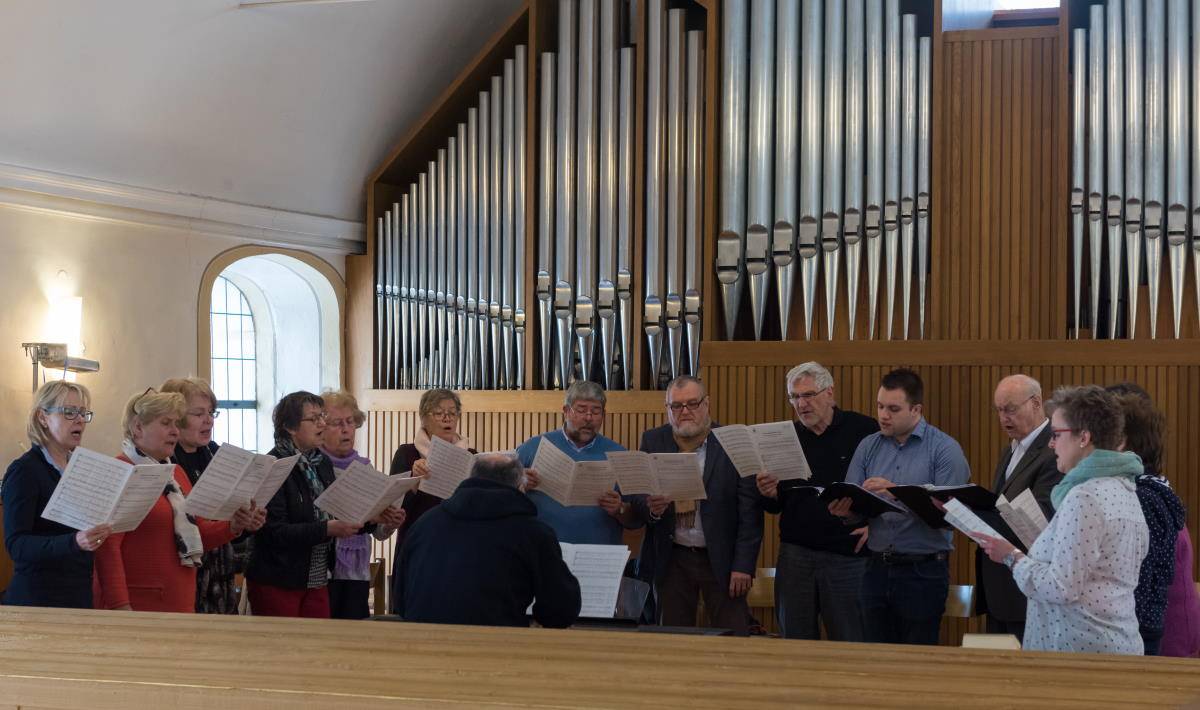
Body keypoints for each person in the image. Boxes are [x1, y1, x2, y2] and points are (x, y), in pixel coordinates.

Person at [977, 385, 1148, 654]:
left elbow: (1060, 587)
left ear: (1084, 437)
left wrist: (1012, 557)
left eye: (1056, 434)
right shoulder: (1124, 487)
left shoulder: (1085, 497)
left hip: (1078, 650)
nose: (1051, 443)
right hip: (1113, 641)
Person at [828, 368, 970, 645]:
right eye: (880, 406)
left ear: (916, 409)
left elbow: (952, 516)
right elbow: (856, 499)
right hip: (875, 567)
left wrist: (898, 493)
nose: (883, 415)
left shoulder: (944, 449)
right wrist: (847, 512)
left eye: (893, 409)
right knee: (874, 655)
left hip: (923, 571)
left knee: (917, 657)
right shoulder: (868, 446)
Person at [94, 389, 266, 612]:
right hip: (140, 603)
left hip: (180, 598)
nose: (175, 431)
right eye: (166, 423)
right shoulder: (121, 472)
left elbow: (197, 532)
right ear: (137, 427)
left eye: (176, 423)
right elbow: (108, 549)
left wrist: (233, 526)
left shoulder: (175, 473)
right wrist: (120, 606)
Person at [755, 362, 877, 641]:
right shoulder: (786, 437)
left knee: (850, 641)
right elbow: (776, 505)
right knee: (795, 642)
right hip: (796, 554)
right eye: (794, 397)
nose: (801, 404)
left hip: (847, 556)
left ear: (829, 393)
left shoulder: (863, 430)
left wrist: (876, 526)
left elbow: (882, 489)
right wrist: (769, 493)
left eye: (808, 395)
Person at [631, 376, 762, 635]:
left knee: (734, 637)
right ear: (667, 408)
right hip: (672, 558)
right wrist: (652, 509)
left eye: (692, 403)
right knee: (673, 638)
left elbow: (750, 512)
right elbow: (638, 494)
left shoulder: (733, 442)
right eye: (676, 406)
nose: (685, 411)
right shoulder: (654, 440)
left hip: (723, 559)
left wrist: (743, 566)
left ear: (707, 404)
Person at [396, 453, 581, 628]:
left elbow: (401, 600)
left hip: (422, 642)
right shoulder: (533, 532)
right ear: (520, 486)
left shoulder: (425, 523)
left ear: (470, 478)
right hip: (497, 643)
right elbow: (560, 611)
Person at [245, 391, 384, 618]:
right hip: (279, 578)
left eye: (322, 417)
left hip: (317, 575)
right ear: (290, 427)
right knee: (285, 640)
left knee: (321, 640)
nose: (322, 423)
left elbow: (335, 513)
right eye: (313, 419)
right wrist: (326, 529)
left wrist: (372, 519)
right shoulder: (274, 466)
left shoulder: (321, 462)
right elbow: (273, 532)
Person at [2, 381, 110, 608]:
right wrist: (74, 541)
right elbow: (17, 545)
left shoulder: (81, 468)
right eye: (69, 412)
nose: (79, 420)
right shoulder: (25, 470)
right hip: (38, 601)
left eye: (83, 413)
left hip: (78, 595)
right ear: (43, 417)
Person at [973, 374, 1061, 643]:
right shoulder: (1010, 450)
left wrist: (976, 514)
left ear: (1036, 403)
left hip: (1026, 586)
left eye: (1010, 409)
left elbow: (1042, 517)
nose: (1003, 418)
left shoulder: (1054, 451)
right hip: (1000, 584)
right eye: (999, 410)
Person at [1107, 383, 1187, 655]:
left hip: (1143, 629)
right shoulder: (1145, 489)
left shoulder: (1143, 497)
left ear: (1121, 442)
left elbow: (1141, 576)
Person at [386, 388, 475, 614]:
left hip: (459, 543)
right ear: (424, 418)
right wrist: (413, 480)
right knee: (416, 608)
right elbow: (393, 504)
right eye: (439, 413)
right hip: (418, 542)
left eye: (452, 412)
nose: (447, 418)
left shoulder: (471, 455)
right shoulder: (407, 454)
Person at [517, 381, 638, 544]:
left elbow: (636, 519)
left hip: (599, 551)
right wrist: (519, 485)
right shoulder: (533, 447)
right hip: (543, 549)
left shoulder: (620, 455)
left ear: (603, 415)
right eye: (581, 410)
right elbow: (500, 499)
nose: (588, 418)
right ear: (566, 411)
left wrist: (619, 509)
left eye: (596, 411)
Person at [321, 389, 405, 619]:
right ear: (321, 428)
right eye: (337, 423)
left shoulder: (365, 467)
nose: (346, 429)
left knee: (354, 628)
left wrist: (389, 523)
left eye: (350, 422)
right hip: (324, 570)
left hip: (357, 570)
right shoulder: (315, 466)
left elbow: (377, 532)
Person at [159, 377, 240, 614]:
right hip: (184, 568)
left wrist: (244, 519)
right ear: (176, 417)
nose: (209, 420)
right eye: (198, 414)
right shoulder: (164, 462)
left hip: (220, 568)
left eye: (211, 413)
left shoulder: (216, 455)